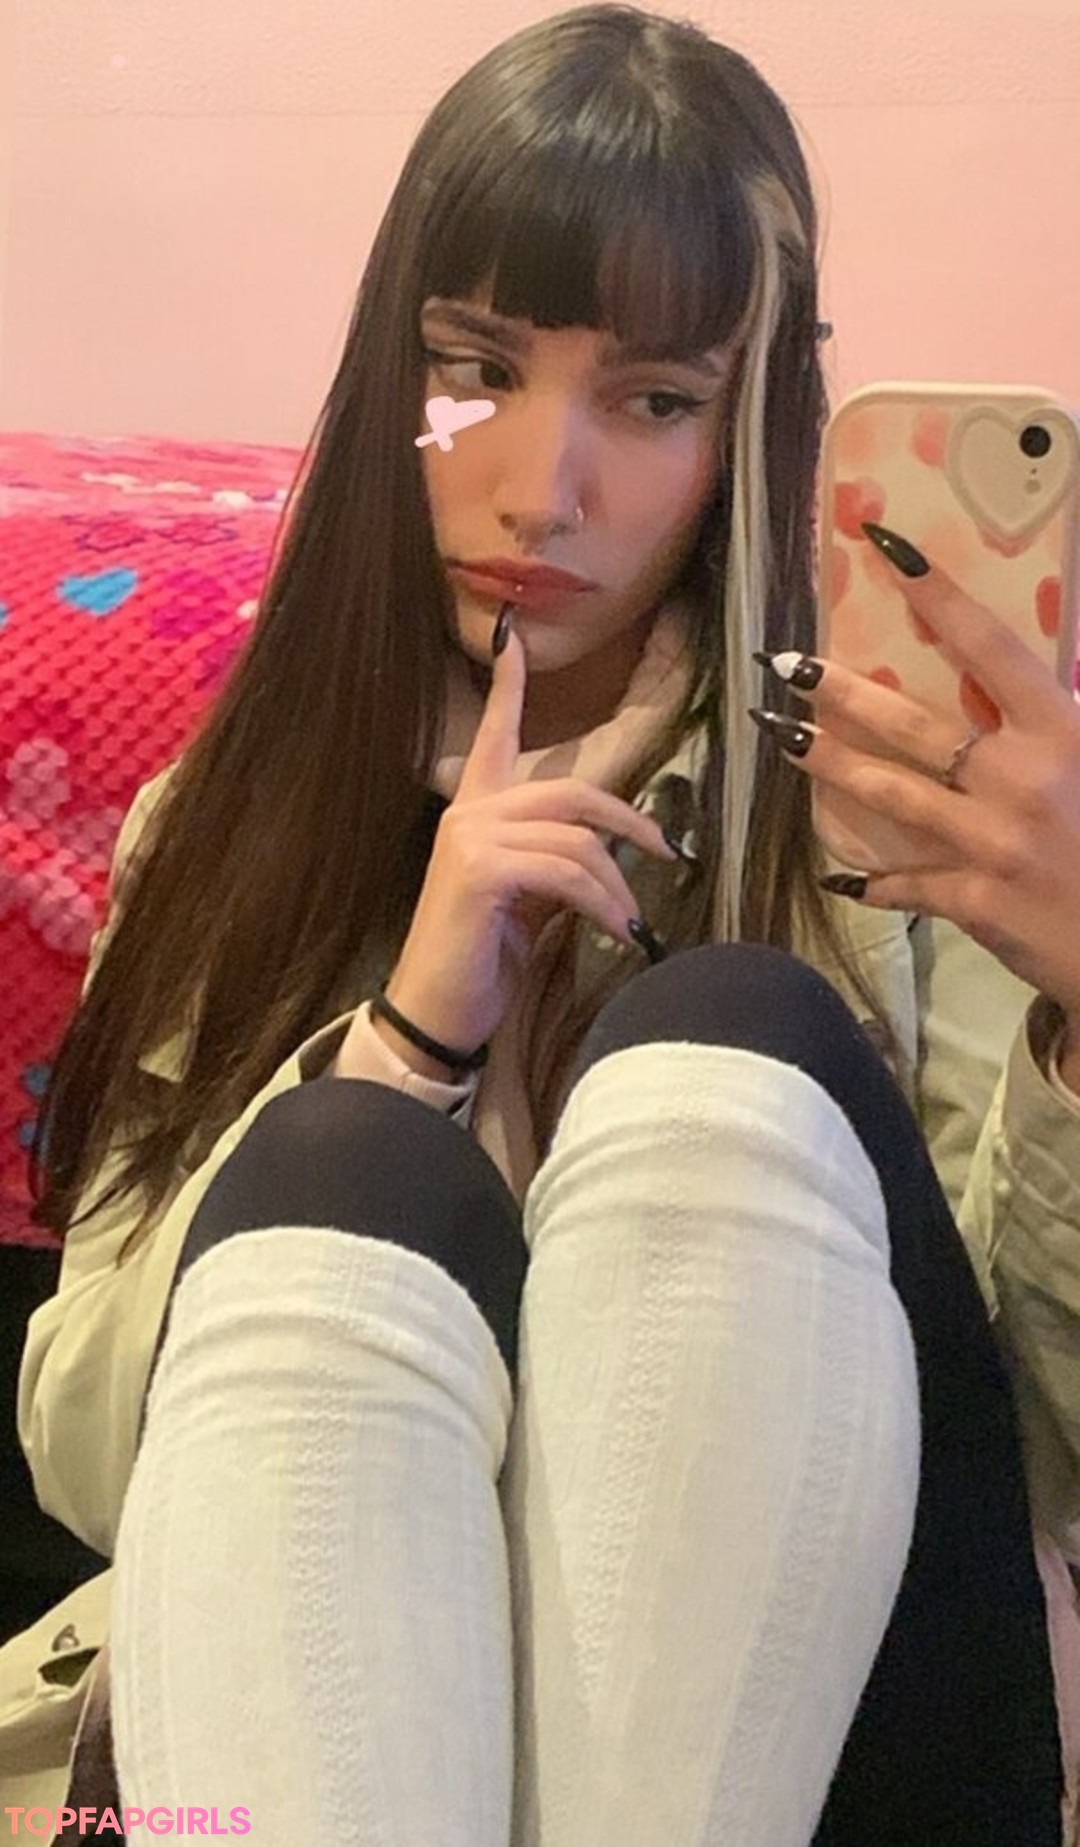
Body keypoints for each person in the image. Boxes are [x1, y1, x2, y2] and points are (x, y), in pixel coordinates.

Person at [0, 6, 1076, 1841]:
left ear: (747, 426)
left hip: (846, 1734)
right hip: (317, 1731)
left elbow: (1027, 1448)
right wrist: (409, 1037)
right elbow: (95, 1459)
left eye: (653, 401)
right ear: (390, 373)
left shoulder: (896, 799)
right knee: (346, 1151)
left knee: (728, 1042)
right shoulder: (231, 816)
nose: (540, 484)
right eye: (474, 370)